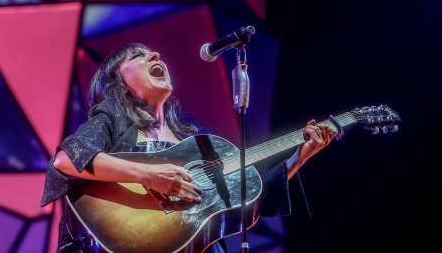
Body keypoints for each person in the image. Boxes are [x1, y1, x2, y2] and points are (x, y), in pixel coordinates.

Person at [40, 43, 338, 253]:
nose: (155, 54)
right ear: (119, 80)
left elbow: (243, 200)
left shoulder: (195, 145)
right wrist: (148, 176)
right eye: (139, 55)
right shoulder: (112, 117)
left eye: (152, 52)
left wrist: (300, 156)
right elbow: (66, 160)